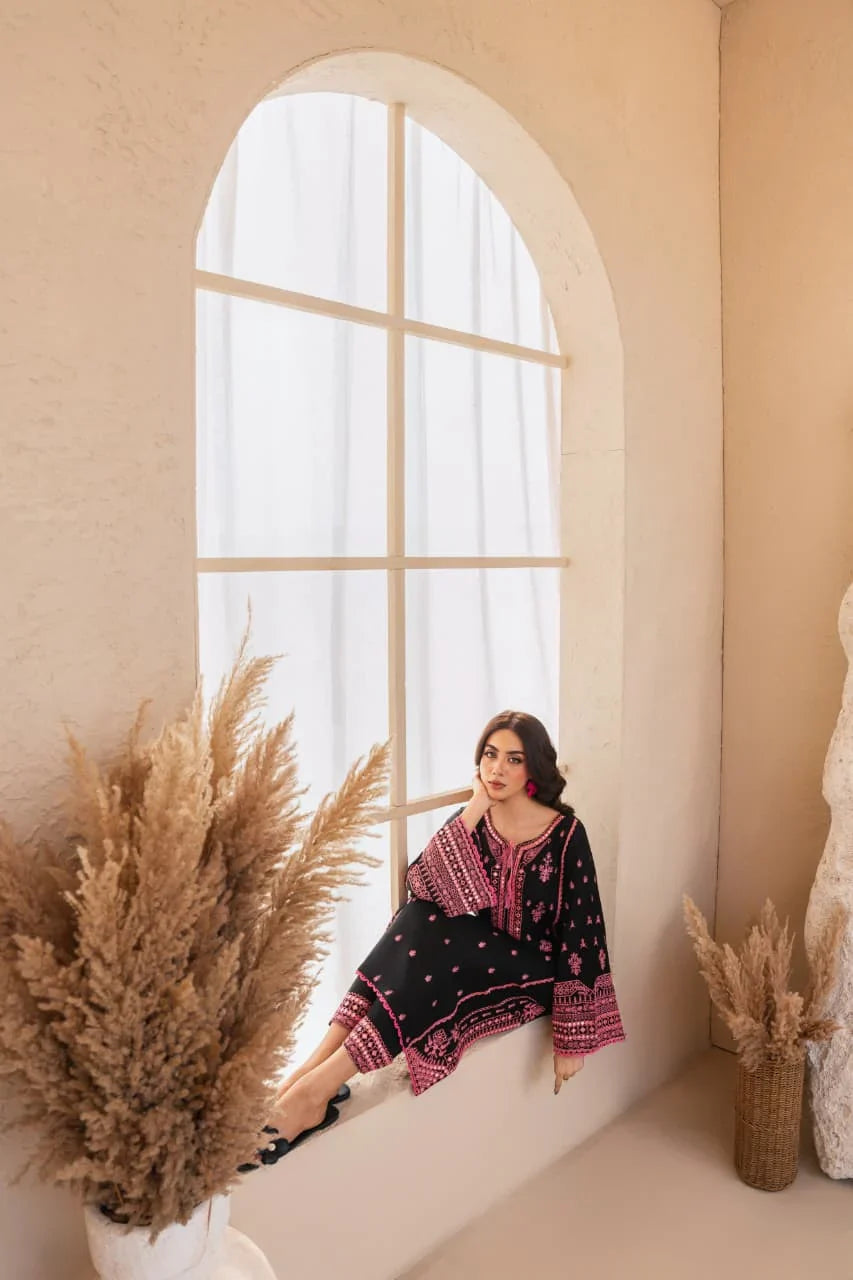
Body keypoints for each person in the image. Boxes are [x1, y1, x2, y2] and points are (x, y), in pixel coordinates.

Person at [250, 711, 625, 1167]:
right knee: (417, 916)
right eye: (489, 755)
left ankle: (316, 1091)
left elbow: (584, 933)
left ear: (534, 769)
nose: (497, 769)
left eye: (513, 759)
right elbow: (423, 886)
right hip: (486, 951)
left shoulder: (566, 835)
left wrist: (572, 1040)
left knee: (441, 949)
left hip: (536, 971)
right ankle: (311, 1071)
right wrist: (473, 808)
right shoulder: (480, 821)